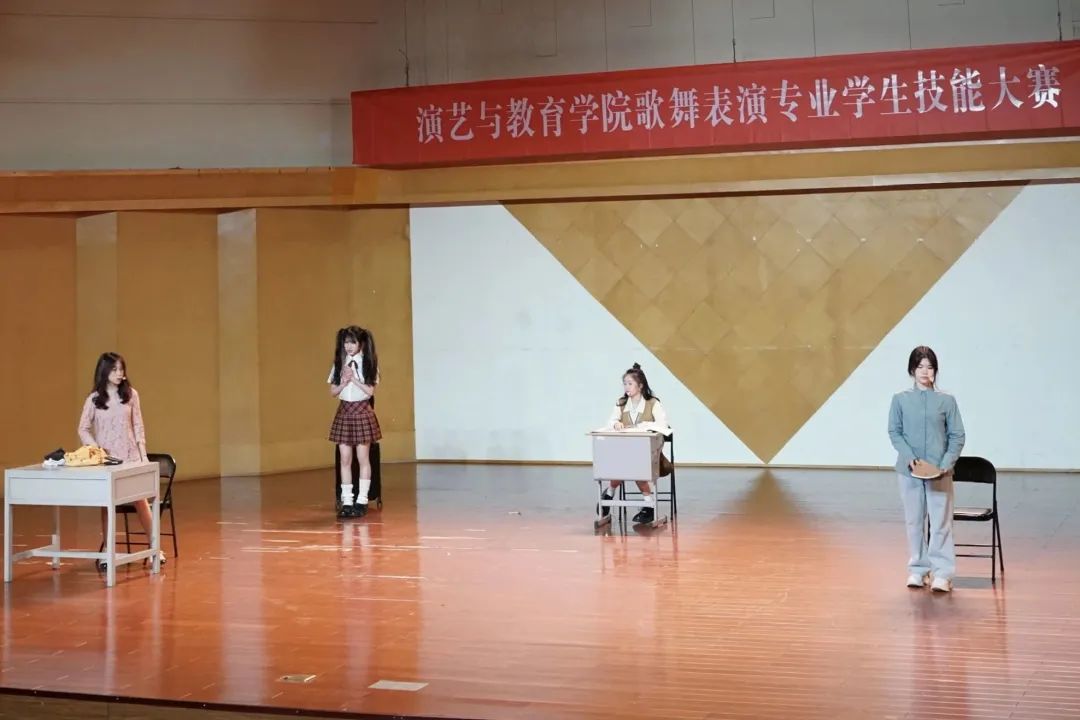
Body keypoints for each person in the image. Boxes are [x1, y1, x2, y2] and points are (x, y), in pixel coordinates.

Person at [888, 346, 966, 593]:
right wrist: (909, 457)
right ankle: (918, 569)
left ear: (935, 370)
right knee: (914, 521)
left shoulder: (946, 401)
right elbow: (895, 431)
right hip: (909, 471)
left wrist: (946, 463)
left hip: (939, 471)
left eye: (930, 367)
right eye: (920, 366)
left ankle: (943, 573)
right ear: (912, 369)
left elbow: (957, 435)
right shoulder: (900, 399)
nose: (925, 371)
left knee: (941, 522)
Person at [78, 352, 165, 565]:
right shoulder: (94, 399)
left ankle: (155, 548)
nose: (119, 373)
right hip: (107, 461)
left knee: (141, 501)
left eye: (121, 369)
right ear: (104, 371)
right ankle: (108, 552)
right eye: (114, 369)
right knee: (107, 504)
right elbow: (83, 428)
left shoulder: (131, 395)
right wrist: (95, 448)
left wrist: (143, 456)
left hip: (131, 457)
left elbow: (138, 425)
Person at [599, 363, 672, 525]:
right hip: (626, 446)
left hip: (649, 446)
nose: (626, 387)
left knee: (632, 463)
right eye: (625, 383)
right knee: (624, 462)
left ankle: (610, 494)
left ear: (640, 385)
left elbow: (663, 425)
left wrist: (646, 425)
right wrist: (616, 423)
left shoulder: (653, 403)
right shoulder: (621, 403)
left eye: (630, 383)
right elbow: (611, 421)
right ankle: (646, 504)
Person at [328, 326, 382, 519]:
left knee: (363, 458)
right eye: (346, 342)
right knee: (344, 458)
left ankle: (362, 500)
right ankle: (347, 501)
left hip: (362, 411)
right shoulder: (339, 363)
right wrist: (343, 381)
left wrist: (354, 379)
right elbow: (333, 392)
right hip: (344, 411)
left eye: (353, 342)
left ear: (361, 344)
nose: (348, 346)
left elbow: (370, 391)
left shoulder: (368, 363)